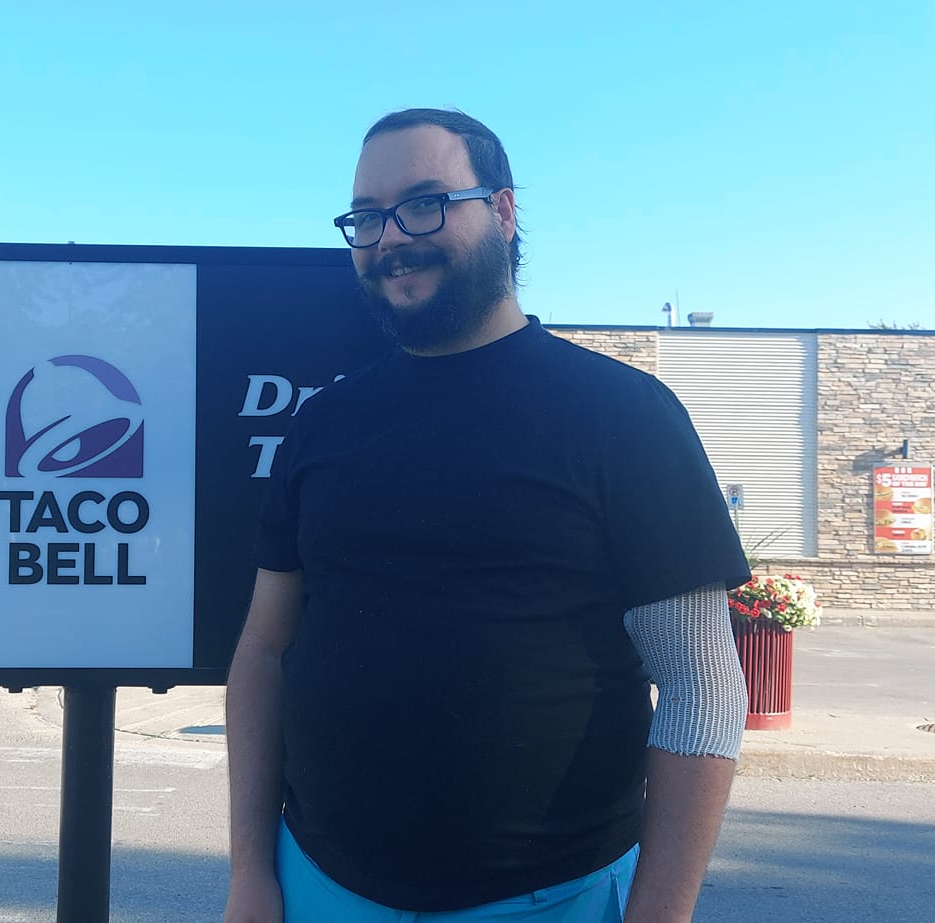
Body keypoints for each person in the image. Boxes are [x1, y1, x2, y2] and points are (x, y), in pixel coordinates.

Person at [224, 108, 751, 922]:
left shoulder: (622, 414)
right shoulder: (322, 426)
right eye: (366, 215)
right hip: (320, 886)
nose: (391, 235)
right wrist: (251, 875)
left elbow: (700, 682)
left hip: (559, 897)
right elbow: (264, 649)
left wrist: (660, 912)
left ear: (503, 212)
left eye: (426, 201)